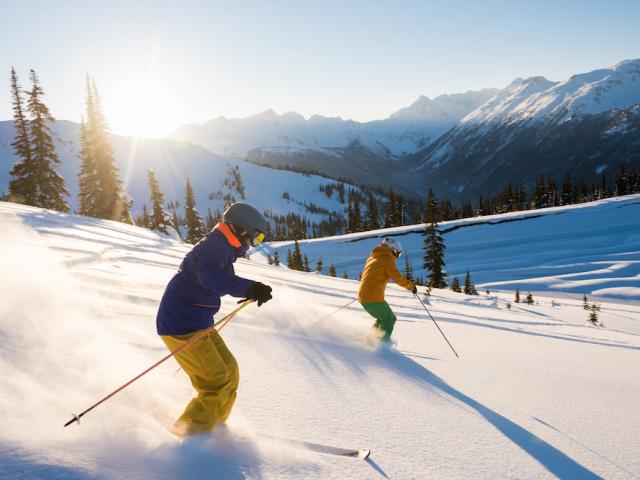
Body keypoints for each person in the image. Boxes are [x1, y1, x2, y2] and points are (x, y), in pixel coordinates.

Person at [156, 202, 273, 437]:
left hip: (196, 323)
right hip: (181, 325)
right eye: (255, 238)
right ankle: (189, 435)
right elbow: (212, 278)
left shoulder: (222, 247)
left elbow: (214, 280)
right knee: (216, 381)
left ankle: (213, 424)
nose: (253, 245)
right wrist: (250, 288)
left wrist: (249, 289)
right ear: (241, 230)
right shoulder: (215, 247)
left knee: (229, 370)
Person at [358, 238, 416, 342]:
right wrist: (411, 286)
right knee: (389, 319)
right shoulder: (387, 259)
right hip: (373, 297)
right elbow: (397, 278)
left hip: (363, 296)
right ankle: (382, 346)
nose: (397, 256)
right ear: (393, 249)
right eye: (398, 253)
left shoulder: (372, 258)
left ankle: (370, 341)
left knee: (382, 319)